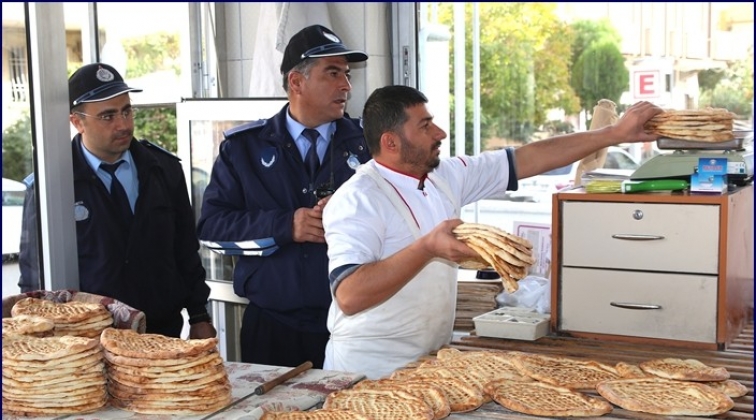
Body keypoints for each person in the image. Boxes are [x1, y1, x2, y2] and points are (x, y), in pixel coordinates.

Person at [322, 85, 664, 379]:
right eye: (425, 126)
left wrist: (615, 134)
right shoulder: (358, 199)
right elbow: (350, 295)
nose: (439, 133)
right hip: (367, 370)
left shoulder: (445, 176)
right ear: (391, 142)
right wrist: (428, 248)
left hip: (428, 362)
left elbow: (527, 159)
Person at [196, 25, 372, 368]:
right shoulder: (243, 149)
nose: (346, 86)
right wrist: (285, 226)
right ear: (296, 82)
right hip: (272, 329)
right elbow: (213, 231)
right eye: (333, 73)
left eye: (347, 75)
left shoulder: (368, 146)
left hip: (352, 325)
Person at [18, 62, 215, 340]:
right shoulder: (53, 185)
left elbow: (185, 251)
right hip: (87, 339)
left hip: (160, 332)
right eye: (108, 116)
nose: (123, 124)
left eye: (126, 110)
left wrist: (199, 317)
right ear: (77, 121)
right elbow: (34, 275)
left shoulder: (163, 169)